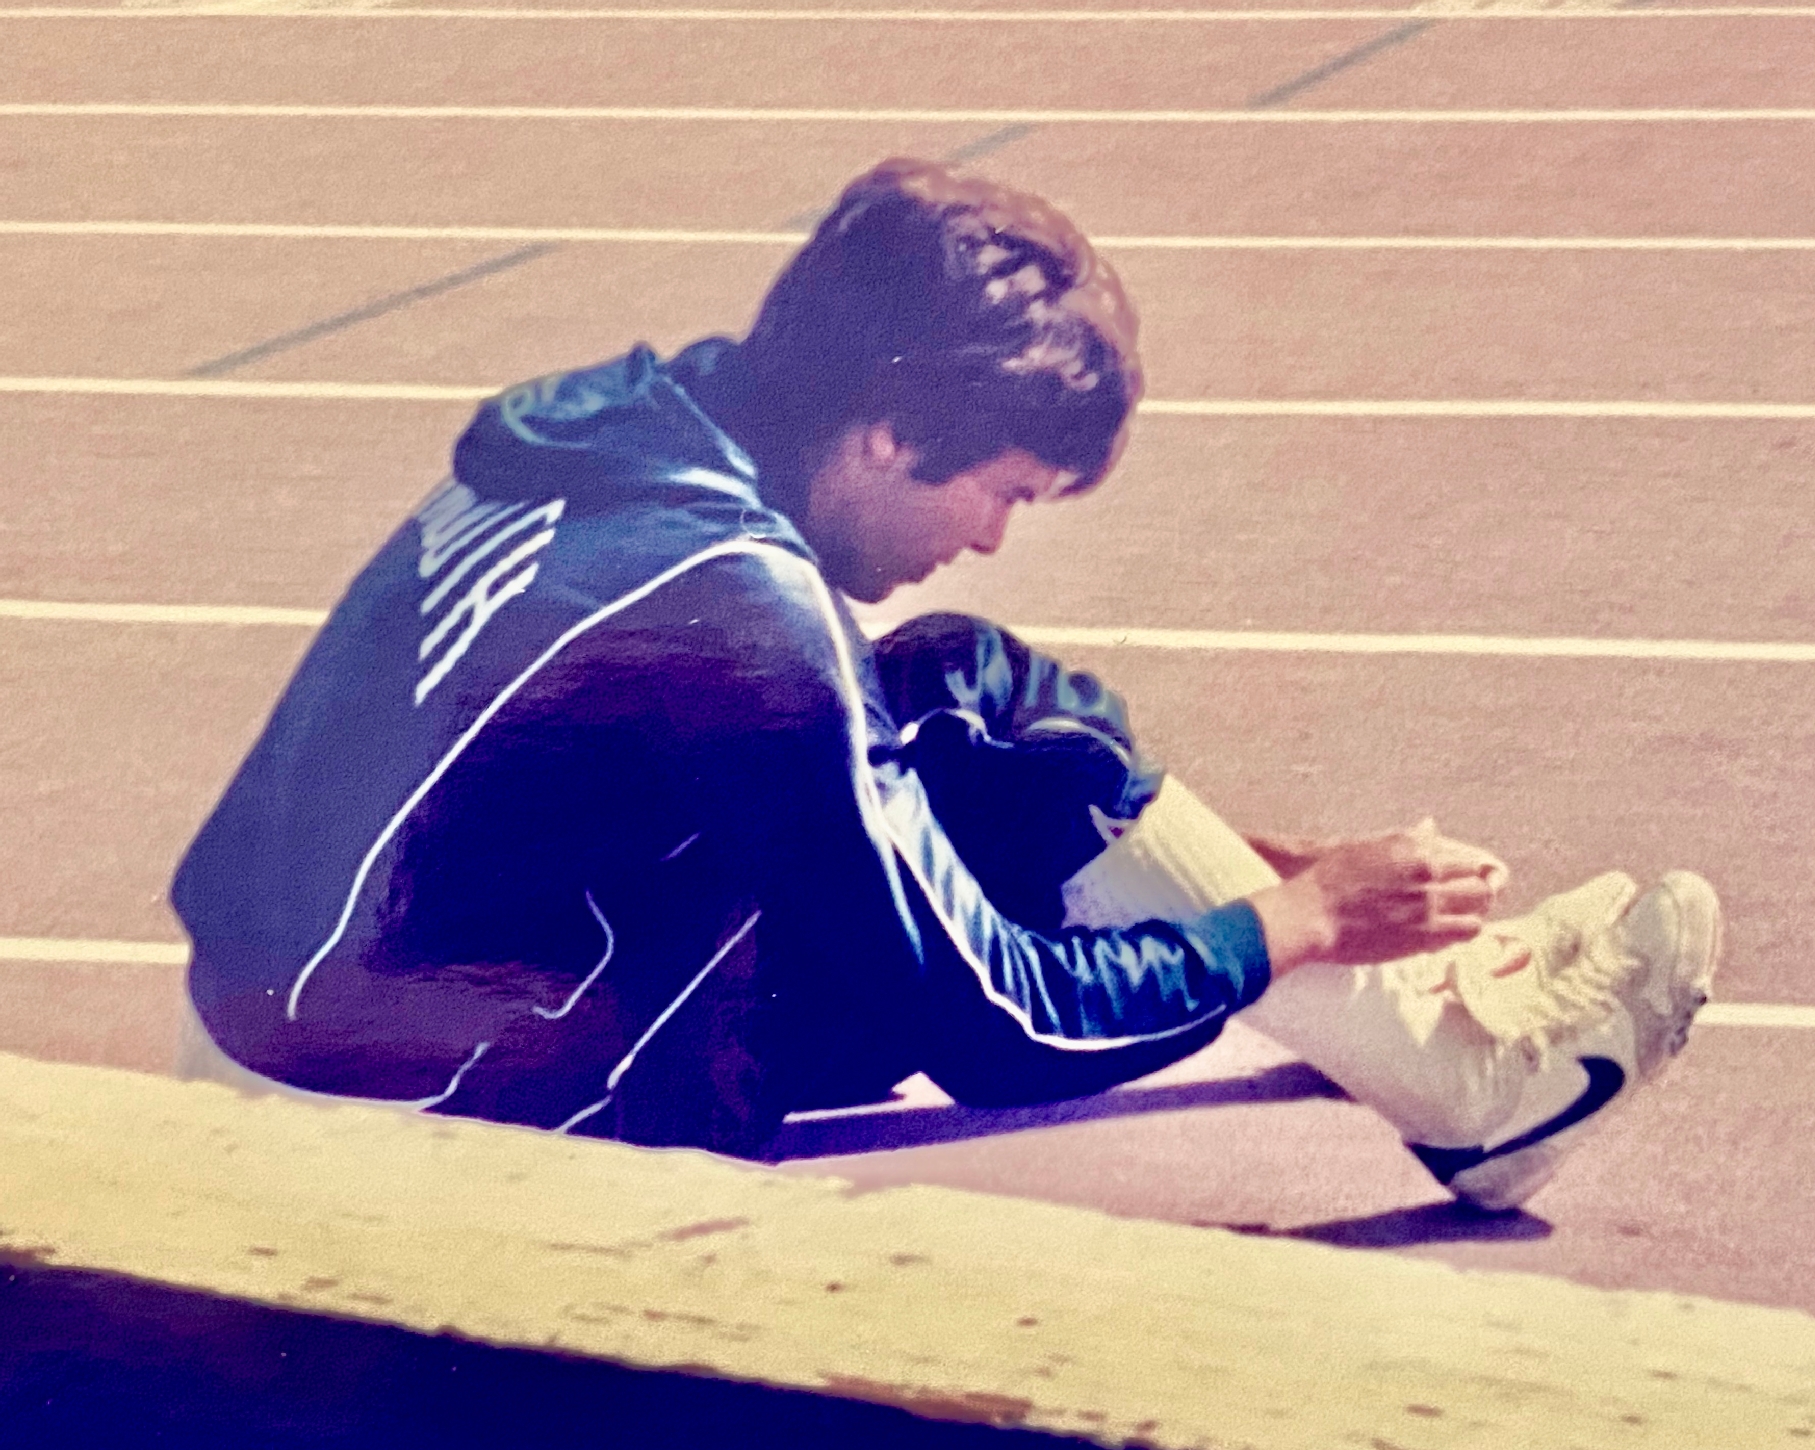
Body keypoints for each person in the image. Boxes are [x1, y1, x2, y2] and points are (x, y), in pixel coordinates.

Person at [170, 159, 1720, 1213]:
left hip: (308, 1024)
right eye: (1000, 489)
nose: (985, 536)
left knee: (958, 688)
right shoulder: (742, 616)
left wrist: (1286, 877)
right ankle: (1466, 1082)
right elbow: (992, 1027)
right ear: (892, 430)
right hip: (414, 1125)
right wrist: (1287, 924)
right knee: (997, 805)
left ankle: (1414, 1025)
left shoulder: (642, 433)